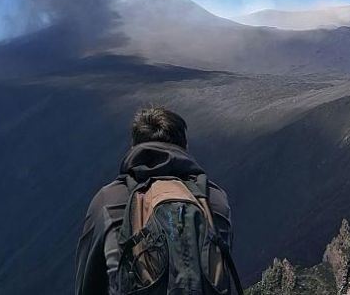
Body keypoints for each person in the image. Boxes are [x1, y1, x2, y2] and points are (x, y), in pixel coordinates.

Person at [75, 107, 237, 294]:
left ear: (133, 147)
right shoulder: (214, 199)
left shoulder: (108, 201)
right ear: (185, 147)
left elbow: (87, 284)